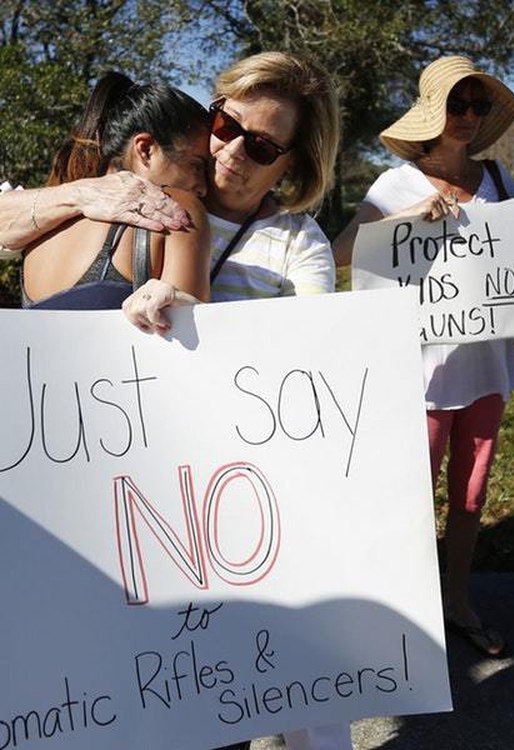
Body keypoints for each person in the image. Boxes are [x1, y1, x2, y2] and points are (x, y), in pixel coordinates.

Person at [0, 51, 348, 750]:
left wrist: (188, 311)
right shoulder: (131, 203)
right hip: (124, 513)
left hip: (219, 515)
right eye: (224, 125)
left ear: (291, 165)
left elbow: (320, 368)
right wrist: (81, 195)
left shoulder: (296, 243)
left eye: (264, 146)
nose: (230, 152)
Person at [332, 55, 514, 659]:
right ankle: (399, 615)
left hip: (489, 366)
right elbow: (339, 254)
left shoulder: (500, 179)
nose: (466, 116)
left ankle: (456, 601)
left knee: (470, 495)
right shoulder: (394, 185)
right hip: (420, 373)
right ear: (432, 112)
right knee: (409, 496)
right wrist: (405, 219)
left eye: (477, 106)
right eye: (455, 104)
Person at [19, 71, 210, 310]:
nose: (203, 187)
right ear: (146, 149)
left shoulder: (41, 228)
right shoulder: (176, 210)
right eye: (196, 165)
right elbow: (192, 340)